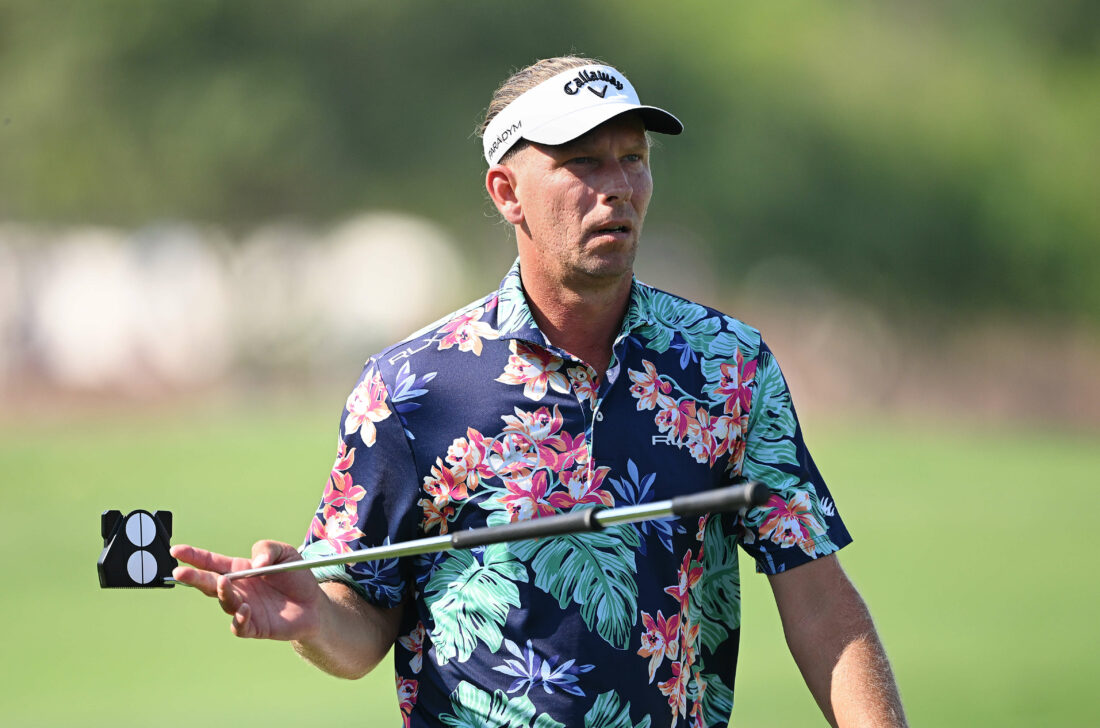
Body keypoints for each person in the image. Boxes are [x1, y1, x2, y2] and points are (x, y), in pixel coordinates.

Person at [172, 55, 907, 727]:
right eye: (583, 163)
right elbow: (360, 629)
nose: (617, 186)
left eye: (633, 160)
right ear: (507, 192)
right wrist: (312, 620)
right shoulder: (409, 390)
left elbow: (819, 600)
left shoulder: (727, 366)